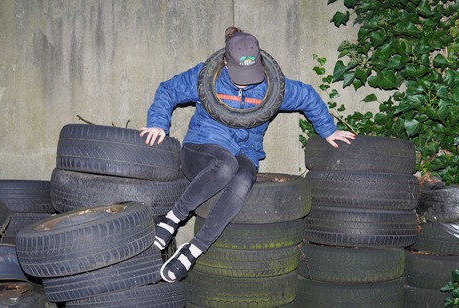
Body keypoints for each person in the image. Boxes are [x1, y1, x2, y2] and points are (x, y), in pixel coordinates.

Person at [139, 26, 355, 283]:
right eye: (240, 73)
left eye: (252, 72)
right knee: (225, 165)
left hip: (246, 151)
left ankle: (194, 250)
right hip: (202, 149)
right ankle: (172, 220)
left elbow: (307, 95)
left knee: (242, 178)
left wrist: (327, 130)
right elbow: (168, 90)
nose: (248, 80)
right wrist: (157, 123)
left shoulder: (271, 86)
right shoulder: (206, 77)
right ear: (224, 62)